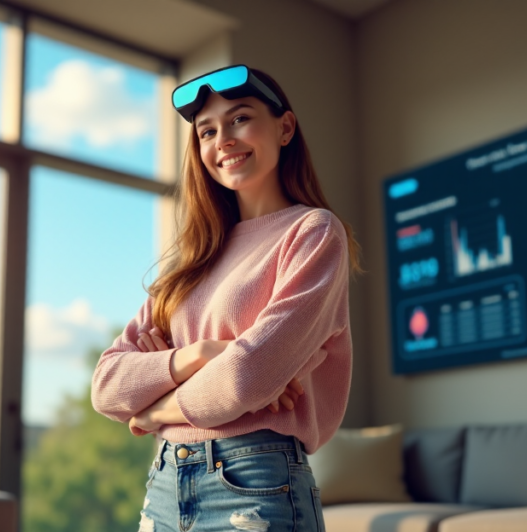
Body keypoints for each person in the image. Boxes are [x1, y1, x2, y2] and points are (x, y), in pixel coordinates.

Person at [91, 64, 362, 532]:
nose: (224, 140)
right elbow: (106, 385)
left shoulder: (313, 233)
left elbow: (244, 376)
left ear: (285, 128)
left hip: (256, 481)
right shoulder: (189, 265)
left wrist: (152, 408)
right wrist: (198, 355)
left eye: (240, 119)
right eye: (207, 131)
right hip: (163, 484)